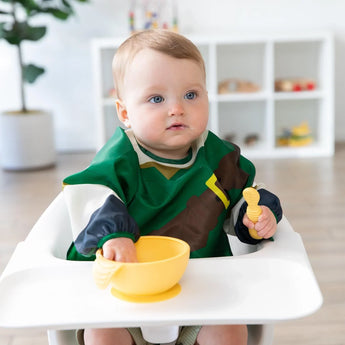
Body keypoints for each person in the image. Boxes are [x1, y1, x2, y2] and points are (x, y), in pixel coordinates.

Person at [63, 29, 282, 345]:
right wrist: (114, 235)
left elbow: (244, 195)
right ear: (125, 112)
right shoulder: (119, 159)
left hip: (202, 294)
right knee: (101, 333)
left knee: (230, 331)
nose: (176, 108)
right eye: (156, 99)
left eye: (191, 95)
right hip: (129, 296)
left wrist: (256, 216)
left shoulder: (218, 156)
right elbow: (90, 196)